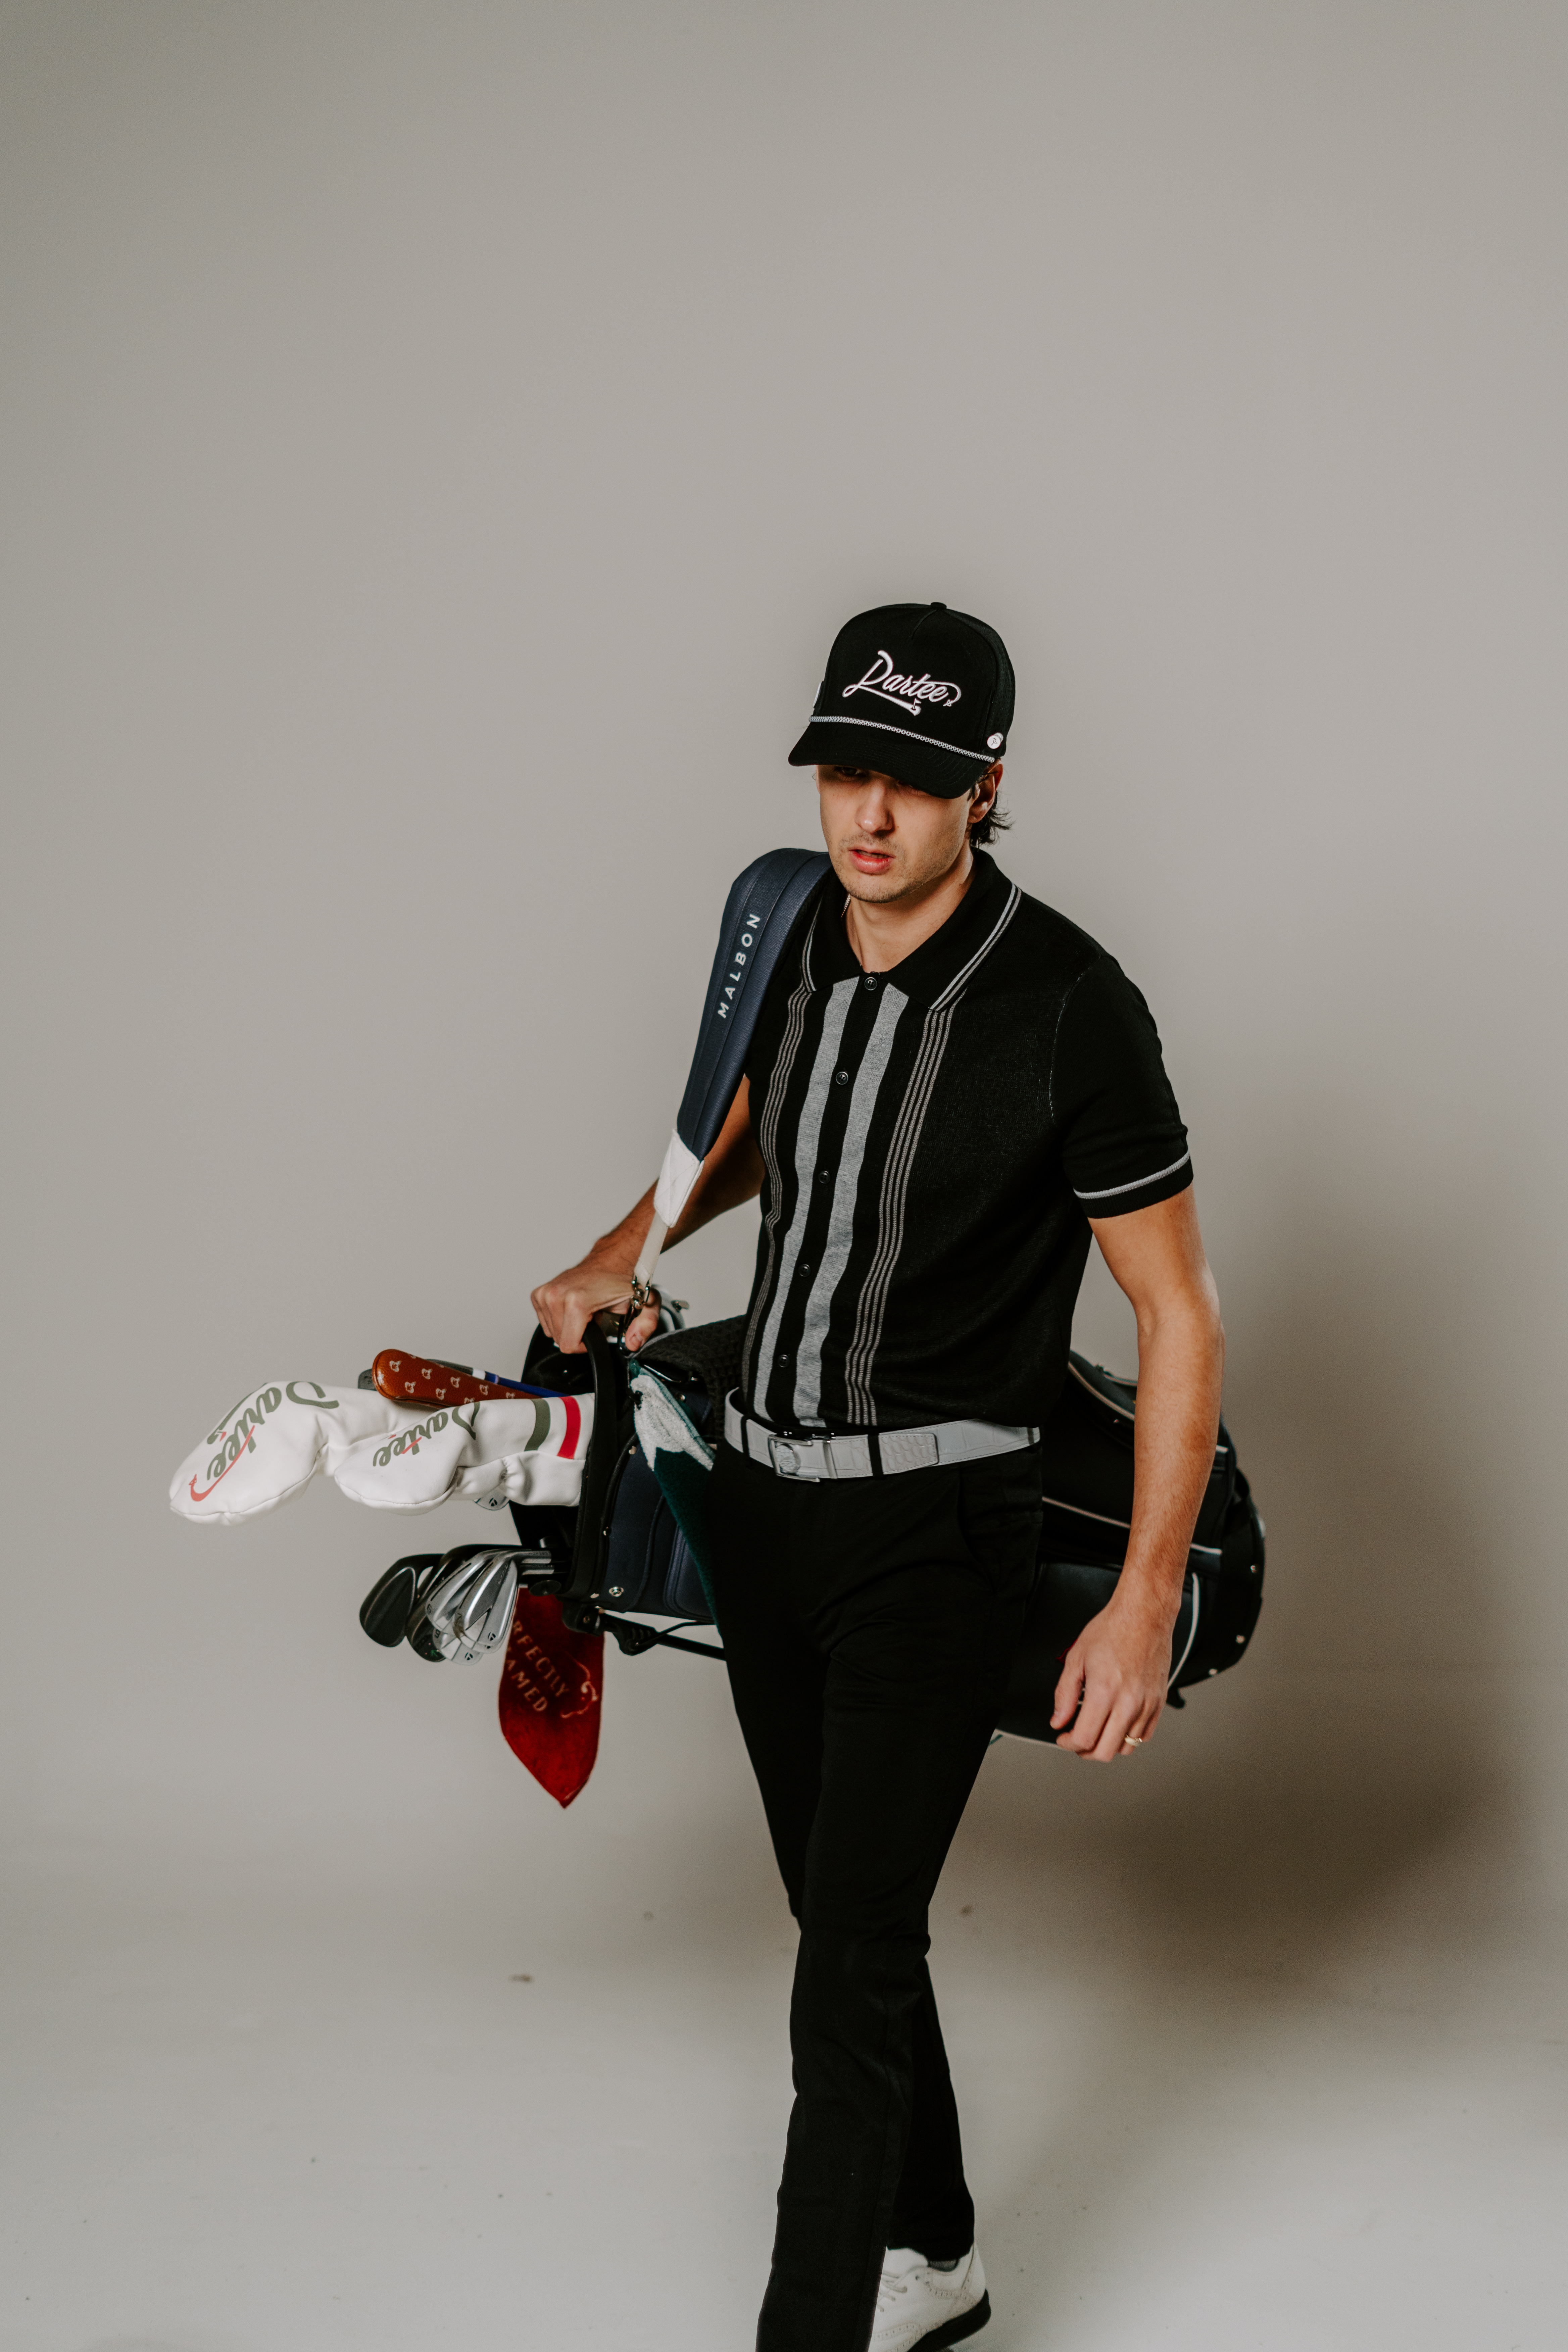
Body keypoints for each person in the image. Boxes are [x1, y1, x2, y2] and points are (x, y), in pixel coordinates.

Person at [533, 601, 1225, 2352]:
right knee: (849, 1917)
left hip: (938, 1526)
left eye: (914, 781)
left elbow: (1179, 1315)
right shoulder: (785, 933)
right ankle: (940, 2256)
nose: (871, 812)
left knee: (841, 1968)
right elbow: (771, 1126)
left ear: (986, 787)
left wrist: (1144, 1601)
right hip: (762, 1505)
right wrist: (631, 1241)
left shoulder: (1075, 1006)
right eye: (848, 768)